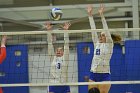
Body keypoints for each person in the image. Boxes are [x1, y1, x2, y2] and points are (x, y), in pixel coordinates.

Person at [87, 5, 121, 93]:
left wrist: (101, 15)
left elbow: (106, 29)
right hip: (93, 74)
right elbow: (93, 30)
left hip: (104, 75)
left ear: (107, 37)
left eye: (103, 35)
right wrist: (90, 15)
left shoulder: (109, 44)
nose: (101, 37)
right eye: (100, 35)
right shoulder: (96, 43)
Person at [46, 22, 71, 93]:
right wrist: (49, 31)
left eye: (60, 50)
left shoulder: (65, 58)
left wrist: (66, 31)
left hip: (64, 84)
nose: (58, 51)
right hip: (53, 84)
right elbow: (50, 44)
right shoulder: (52, 58)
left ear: (63, 52)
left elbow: (66, 44)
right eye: (57, 50)